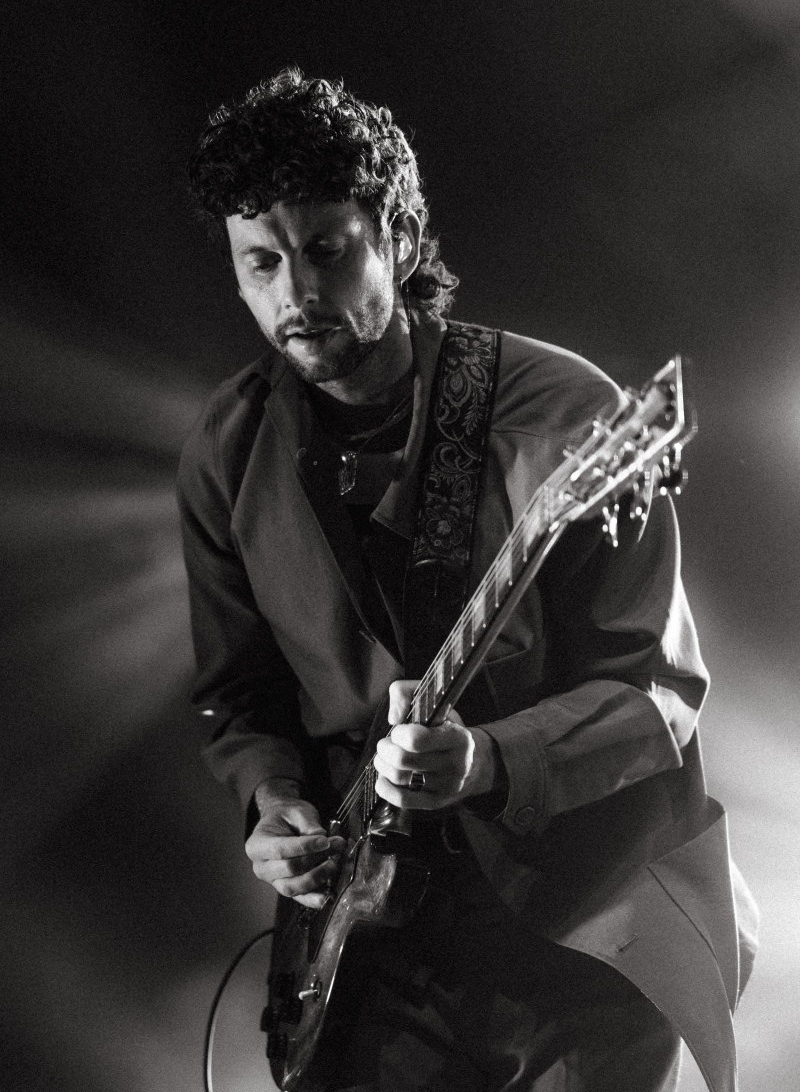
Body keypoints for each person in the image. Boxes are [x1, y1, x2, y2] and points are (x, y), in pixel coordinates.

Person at [179, 68, 757, 1092]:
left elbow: (659, 696)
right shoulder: (227, 450)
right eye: (260, 262)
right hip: (373, 955)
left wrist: (489, 758)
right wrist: (272, 806)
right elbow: (241, 694)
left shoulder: (566, 414)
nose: (294, 296)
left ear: (398, 239)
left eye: (326, 251)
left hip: (584, 931)